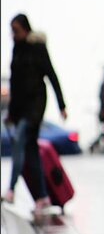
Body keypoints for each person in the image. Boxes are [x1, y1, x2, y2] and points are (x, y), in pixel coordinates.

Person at [2, 13, 67, 213]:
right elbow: (14, 83)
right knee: (31, 152)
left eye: (16, 30)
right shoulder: (17, 49)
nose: (13, 35)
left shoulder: (37, 48)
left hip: (36, 106)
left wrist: (62, 105)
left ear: (25, 29)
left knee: (20, 141)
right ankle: (43, 197)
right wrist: (11, 113)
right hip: (21, 108)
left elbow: (51, 75)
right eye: (12, 31)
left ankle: (11, 190)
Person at [89, 68, 104, 154]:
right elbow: (103, 100)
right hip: (103, 112)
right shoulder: (103, 86)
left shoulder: (103, 85)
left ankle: (102, 147)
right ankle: (99, 146)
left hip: (103, 111)